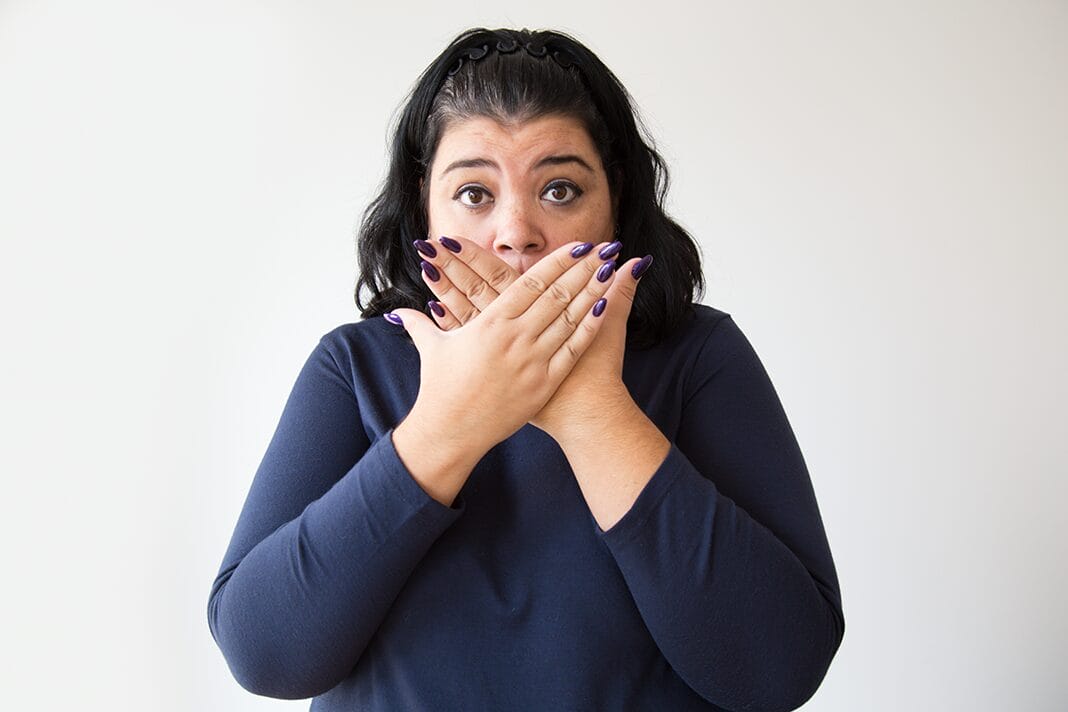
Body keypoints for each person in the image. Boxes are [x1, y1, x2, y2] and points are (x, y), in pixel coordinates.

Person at [206, 27, 845, 711]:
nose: (516, 232)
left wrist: (590, 410)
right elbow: (264, 654)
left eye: (560, 189)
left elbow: (778, 671)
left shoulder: (699, 356)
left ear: (614, 200)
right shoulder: (355, 365)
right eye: (474, 193)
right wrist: (446, 428)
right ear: (424, 202)